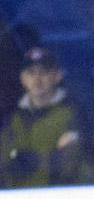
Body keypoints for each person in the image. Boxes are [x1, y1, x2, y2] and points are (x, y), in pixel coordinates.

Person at [4, 45, 88, 187]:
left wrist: (31, 160)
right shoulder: (13, 119)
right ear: (23, 78)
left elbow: (71, 162)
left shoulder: (73, 113)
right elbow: (4, 162)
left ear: (57, 76)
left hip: (61, 196)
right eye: (31, 73)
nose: (37, 79)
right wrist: (51, 156)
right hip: (18, 198)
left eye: (44, 72)